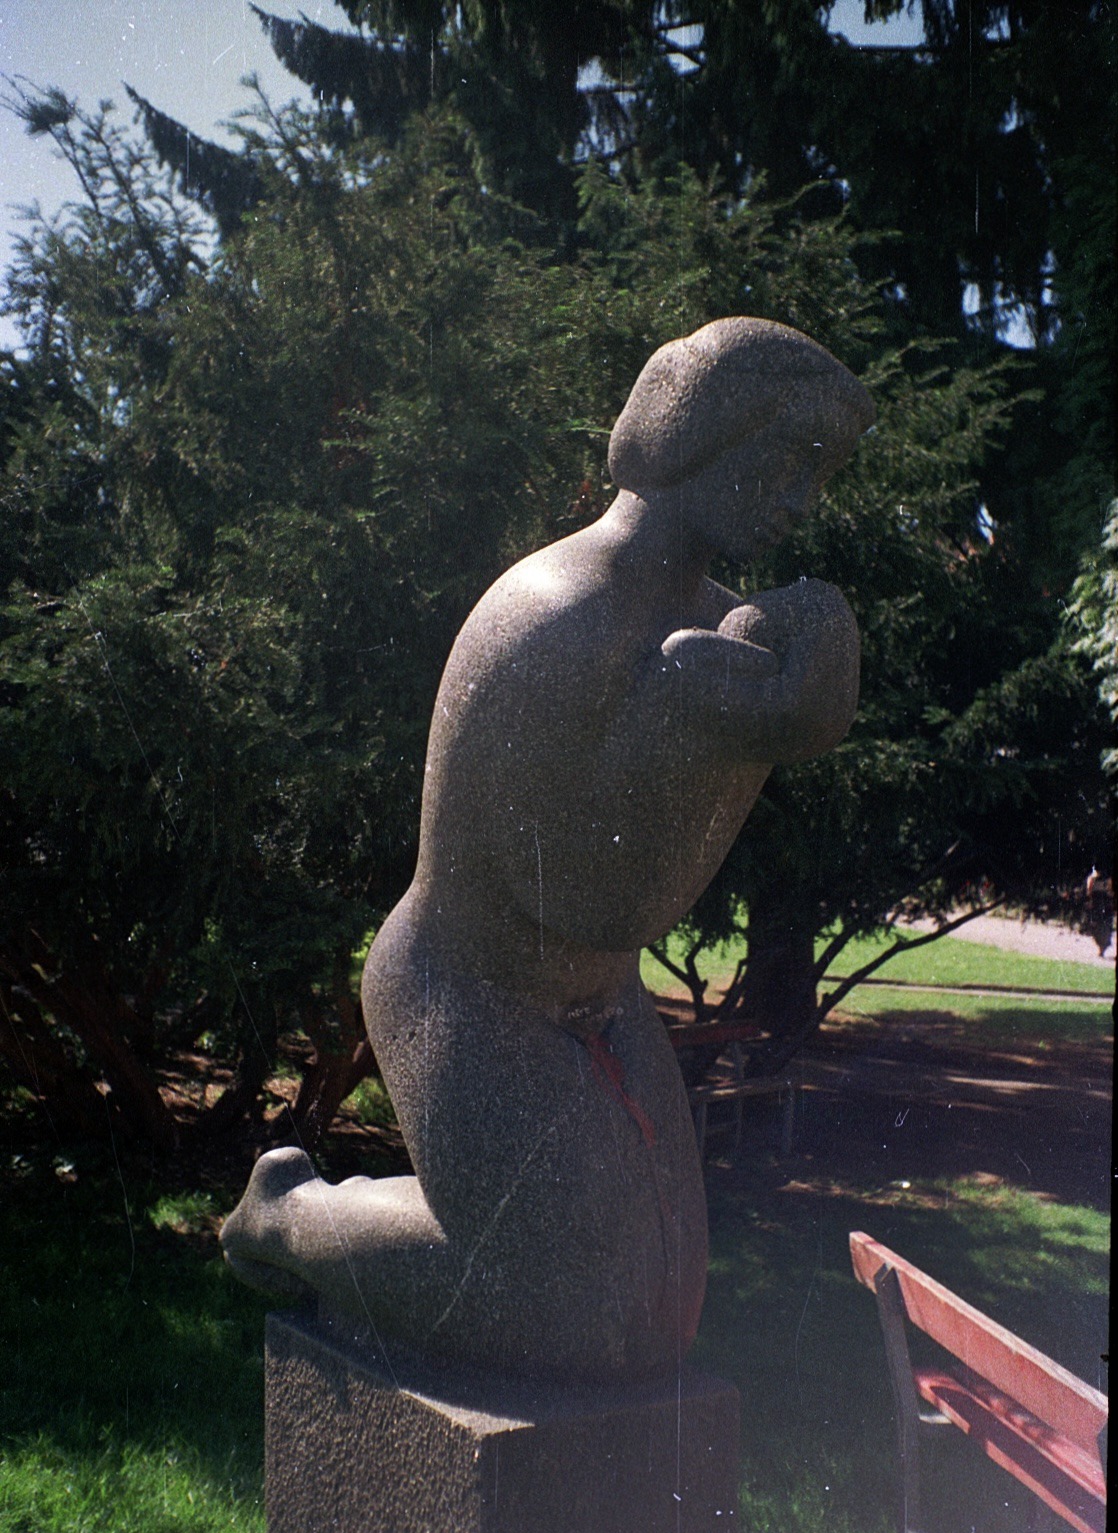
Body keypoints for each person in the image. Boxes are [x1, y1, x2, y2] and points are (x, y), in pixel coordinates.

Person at [221, 318, 875, 1384]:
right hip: (464, 988)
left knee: (659, 1317)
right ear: (702, 434)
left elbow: (645, 884)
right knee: (558, 1319)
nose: (801, 499)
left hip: (592, 999)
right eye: (791, 459)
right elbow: (587, 894)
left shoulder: (706, 623)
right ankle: (285, 1216)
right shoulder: (552, 617)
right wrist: (738, 729)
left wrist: (753, 725)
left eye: (822, 474)